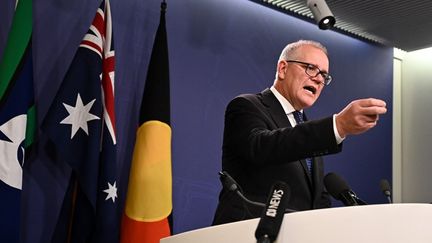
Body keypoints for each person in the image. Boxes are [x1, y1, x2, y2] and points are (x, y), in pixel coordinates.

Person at [212, 40, 387, 225]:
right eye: (311, 68)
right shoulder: (247, 106)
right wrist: (338, 125)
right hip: (248, 232)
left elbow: (317, 202)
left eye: (324, 75)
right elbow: (262, 147)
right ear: (283, 69)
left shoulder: (309, 132)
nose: (319, 79)